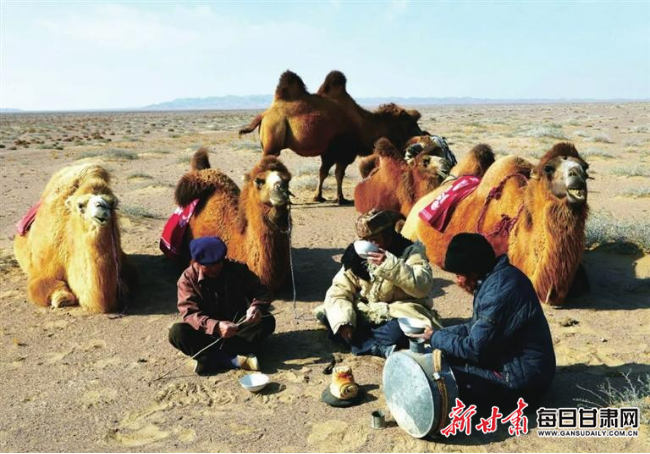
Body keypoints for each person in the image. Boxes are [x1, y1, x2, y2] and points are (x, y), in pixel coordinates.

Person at [416, 233, 556, 409]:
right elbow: (476, 328)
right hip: (516, 364)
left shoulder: (499, 291)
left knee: (438, 378)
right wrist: (438, 334)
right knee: (442, 356)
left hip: (522, 379)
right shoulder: (498, 278)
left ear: (474, 271)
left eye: (459, 274)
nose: (457, 281)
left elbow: (475, 349)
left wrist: (436, 338)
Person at [316, 209, 440, 358]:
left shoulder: (410, 252)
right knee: (334, 319)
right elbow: (339, 289)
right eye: (364, 240)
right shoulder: (356, 257)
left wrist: (389, 265)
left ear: (388, 237)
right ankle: (377, 348)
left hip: (400, 312)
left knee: (396, 333)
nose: (368, 244)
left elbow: (422, 287)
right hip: (368, 311)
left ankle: (365, 344)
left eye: (374, 239)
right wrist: (344, 322)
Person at [168, 237, 276, 376]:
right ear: (197, 263)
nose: (215, 269)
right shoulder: (187, 279)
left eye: (218, 263)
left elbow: (262, 292)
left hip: (237, 329)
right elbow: (190, 313)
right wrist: (216, 326)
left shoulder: (237, 268)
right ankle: (231, 359)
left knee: (267, 320)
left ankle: (211, 359)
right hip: (207, 334)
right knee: (177, 332)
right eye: (209, 266)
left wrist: (256, 307)